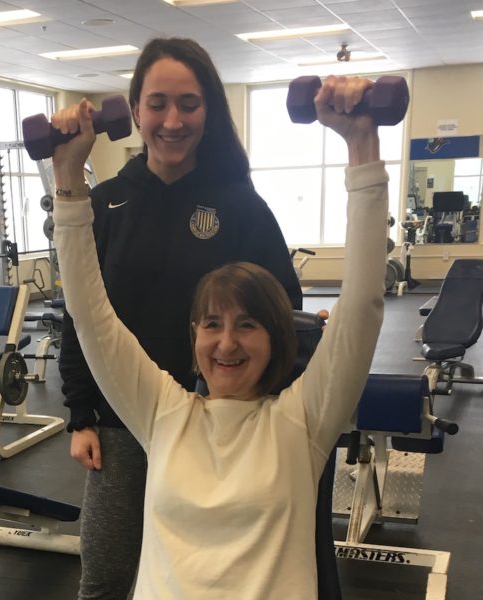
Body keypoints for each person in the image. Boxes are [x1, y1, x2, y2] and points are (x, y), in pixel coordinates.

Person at [52, 71, 387, 598]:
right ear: (194, 336)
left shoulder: (303, 423)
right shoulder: (165, 415)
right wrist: (68, 175)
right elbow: (91, 317)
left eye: (247, 325)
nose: (226, 343)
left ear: (276, 337)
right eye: (212, 324)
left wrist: (362, 143)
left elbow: (364, 304)